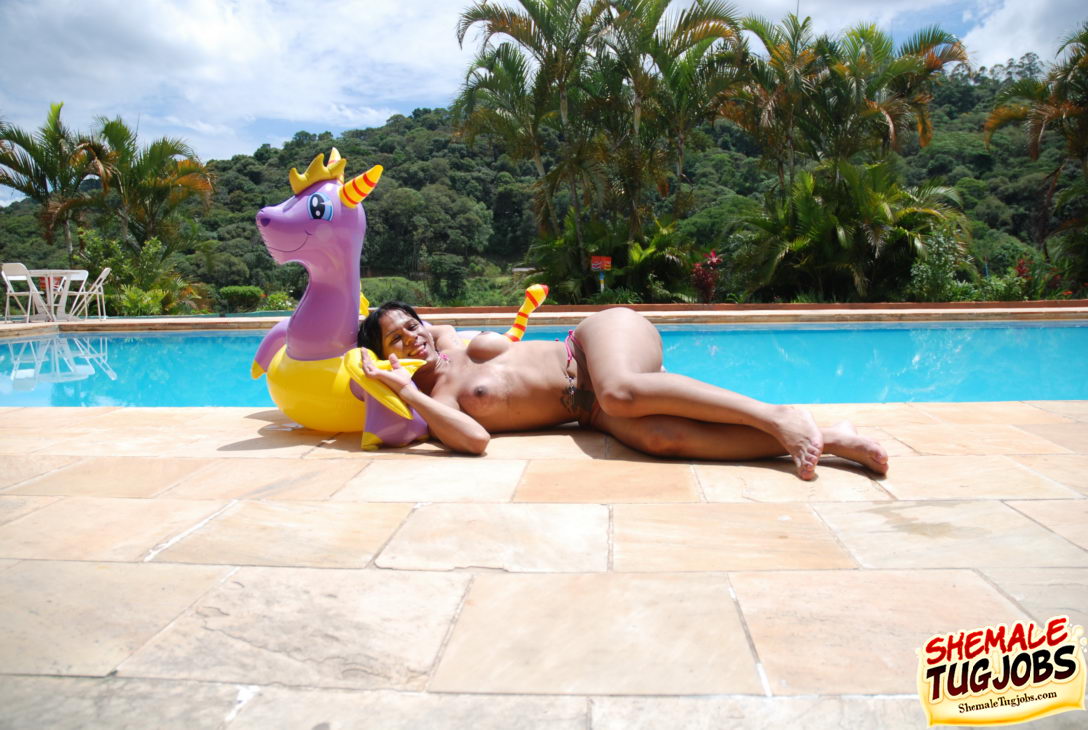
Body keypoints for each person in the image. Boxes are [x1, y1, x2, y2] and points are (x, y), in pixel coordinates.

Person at [358, 302, 888, 480]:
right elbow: (475, 441)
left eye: (412, 325)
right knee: (662, 440)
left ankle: (777, 414)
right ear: (387, 356)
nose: (413, 337)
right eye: (396, 338)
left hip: (593, 344)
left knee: (620, 392)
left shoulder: (448, 340)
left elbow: (419, 329)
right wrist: (403, 389)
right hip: (589, 411)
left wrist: (369, 342)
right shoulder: (435, 403)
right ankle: (833, 438)